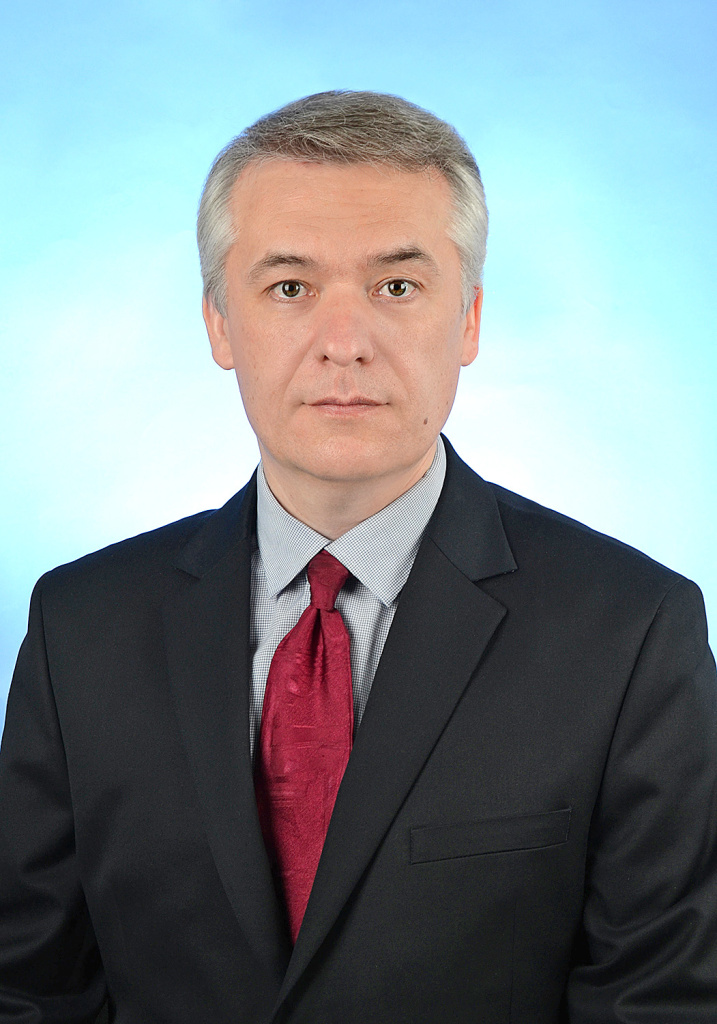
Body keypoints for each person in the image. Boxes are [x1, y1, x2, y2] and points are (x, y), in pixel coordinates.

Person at [1, 90, 716, 1024]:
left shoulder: (631, 633)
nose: (344, 345)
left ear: (468, 320)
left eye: (396, 287)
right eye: (289, 289)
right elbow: (29, 989)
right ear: (219, 324)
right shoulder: (79, 627)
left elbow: (660, 1002)